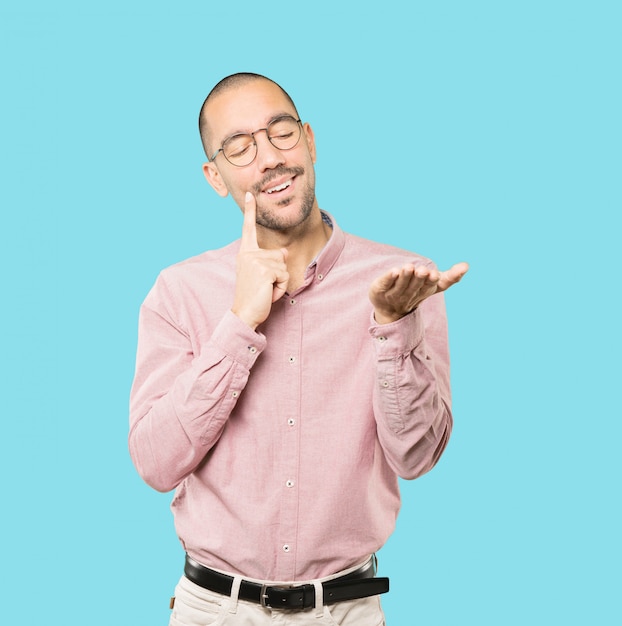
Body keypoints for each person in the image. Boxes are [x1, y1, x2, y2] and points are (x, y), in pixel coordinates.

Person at [129, 72, 468, 626]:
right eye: (240, 147)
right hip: (212, 611)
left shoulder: (403, 282)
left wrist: (393, 327)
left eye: (281, 133)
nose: (269, 159)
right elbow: (156, 462)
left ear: (309, 140)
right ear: (216, 177)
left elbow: (417, 457)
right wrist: (238, 322)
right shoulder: (179, 291)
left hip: (345, 611)